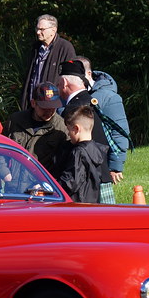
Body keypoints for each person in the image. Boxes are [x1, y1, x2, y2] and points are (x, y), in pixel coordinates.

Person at [58, 60, 115, 203]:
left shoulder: (74, 108)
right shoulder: (90, 100)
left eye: (58, 84)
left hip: (86, 184)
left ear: (64, 82)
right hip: (101, 174)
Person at [75, 56, 131, 186]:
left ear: (88, 74)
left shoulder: (108, 97)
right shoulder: (69, 97)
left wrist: (115, 166)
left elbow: (120, 132)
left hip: (103, 167)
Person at [2, 81, 69, 177]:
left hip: (41, 188)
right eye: (44, 108)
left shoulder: (62, 128)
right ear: (33, 103)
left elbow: (65, 164)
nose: (49, 111)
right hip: (12, 185)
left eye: (52, 107)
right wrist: (4, 172)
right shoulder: (15, 120)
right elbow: (0, 149)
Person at [22, 14, 76, 107]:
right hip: (33, 104)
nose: (38, 32)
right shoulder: (35, 47)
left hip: (52, 105)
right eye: (37, 29)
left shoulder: (65, 48)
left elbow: (70, 78)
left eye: (42, 29)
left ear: (53, 30)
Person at [58, 105, 109, 203]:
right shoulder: (97, 149)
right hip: (92, 203)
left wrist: (53, 187)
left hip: (78, 205)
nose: (68, 134)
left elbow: (71, 182)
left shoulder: (79, 152)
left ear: (76, 129)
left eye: (69, 130)